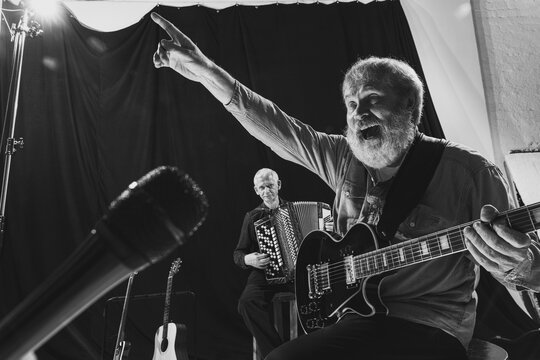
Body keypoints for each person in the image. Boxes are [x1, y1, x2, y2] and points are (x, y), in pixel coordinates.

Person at [150, 12, 540, 360]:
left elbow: (516, 272)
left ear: (410, 108)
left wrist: (524, 266)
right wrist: (204, 70)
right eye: (352, 104)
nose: (359, 113)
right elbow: (276, 126)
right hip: (353, 317)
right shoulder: (344, 158)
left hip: (430, 324)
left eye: (372, 99)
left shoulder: (471, 173)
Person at [233, 168, 292, 358]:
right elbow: (238, 252)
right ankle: (278, 353)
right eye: (262, 188)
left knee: (321, 295)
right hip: (265, 274)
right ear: (256, 190)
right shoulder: (252, 217)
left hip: (295, 272)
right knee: (246, 303)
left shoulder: (292, 210)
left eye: (270, 186)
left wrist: (326, 227)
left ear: (279, 185)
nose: (266, 191)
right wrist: (247, 259)